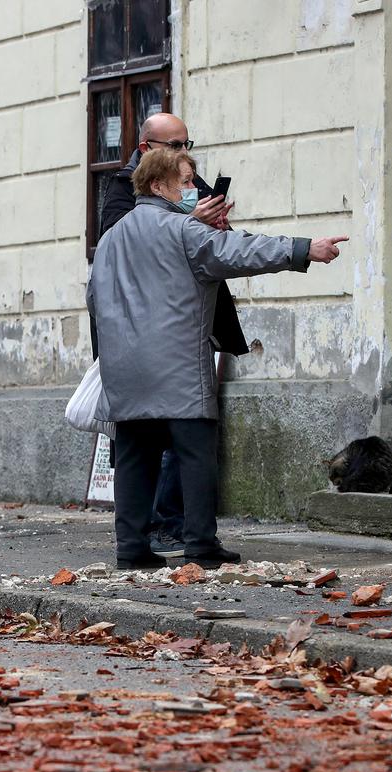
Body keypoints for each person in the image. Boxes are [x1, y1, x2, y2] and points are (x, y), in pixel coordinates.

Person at [88, 148, 346, 570]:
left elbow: (95, 300)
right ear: (158, 185)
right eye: (187, 181)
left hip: (124, 368)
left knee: (135, 455)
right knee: (195, 453)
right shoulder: (184, 230)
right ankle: (200, 544)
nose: (194, 190)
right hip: (178, 365)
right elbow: (240, 252)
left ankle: (131, 547)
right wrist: (304, 249)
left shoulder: (112, 238)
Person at [96, 113, 240, 560]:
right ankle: (168, 534)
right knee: (170, 442)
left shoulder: (183, 189)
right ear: (145, 149)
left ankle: (158, 537)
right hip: (150, 337)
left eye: (185, 143)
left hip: (186, 327)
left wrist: (207, 225)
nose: (182, 154)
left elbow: (223, 252)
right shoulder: (127, 191)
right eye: (171, 146)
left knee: (173, 444)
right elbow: (127, 250)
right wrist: (188, 221)